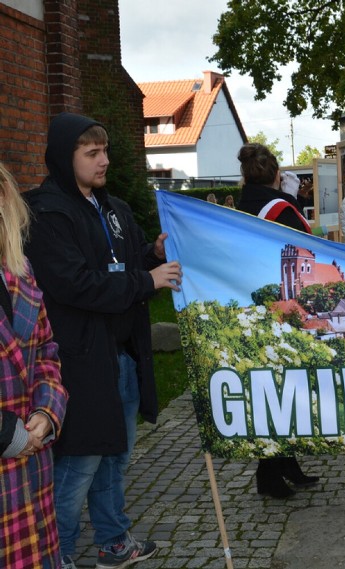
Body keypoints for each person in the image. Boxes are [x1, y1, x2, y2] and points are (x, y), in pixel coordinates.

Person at [23, 113, 183, 569]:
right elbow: (77, 284)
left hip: (122, 357)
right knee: (78, 464)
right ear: (63, 156)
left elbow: (125, 260)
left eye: (105, 151)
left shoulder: (113, 209)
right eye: (91, 153)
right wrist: (145, 281)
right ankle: (58, 554)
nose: (104, 161)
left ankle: (114, 542)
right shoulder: (44, 214)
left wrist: (150, 255)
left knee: (115, 456)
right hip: (77, 361)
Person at [235, 142, 320, 499]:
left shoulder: (243, 204)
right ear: (275, 173)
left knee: (275, 387)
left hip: (256, 301)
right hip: (281, 306)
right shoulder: (280, 208)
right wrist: (294, 201)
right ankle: (268, 475)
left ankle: (287, 464)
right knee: (282, 389)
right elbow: (301, 244)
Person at [0, 162, 68, 569]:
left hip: (30, 482)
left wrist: (47, 412)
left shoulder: (19, 272)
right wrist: (11, 435)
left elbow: (46, 352)